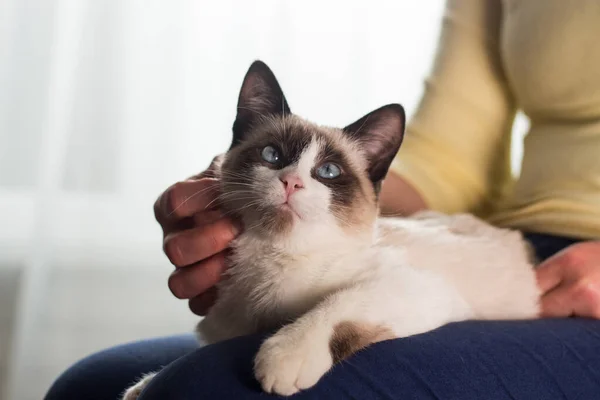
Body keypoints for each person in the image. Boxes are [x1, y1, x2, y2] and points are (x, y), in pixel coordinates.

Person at [45, 0, 600, 398]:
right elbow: (447, 159)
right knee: (90, 384)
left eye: (323, 173)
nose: (293, 180)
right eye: (271, 160)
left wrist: (317, 335)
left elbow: (423, 292)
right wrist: (222, 192)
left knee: (213, 389)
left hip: (559, 290)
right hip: (523, 248)